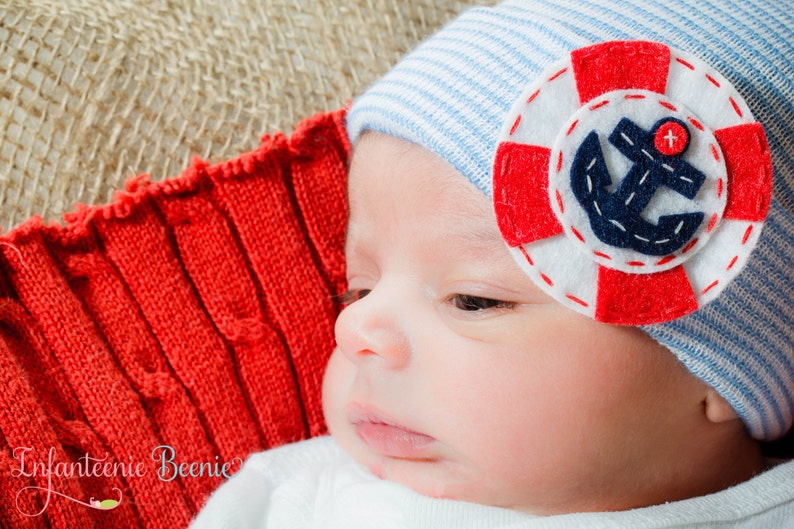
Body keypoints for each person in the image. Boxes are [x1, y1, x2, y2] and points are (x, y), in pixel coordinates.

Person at [190, 0, 794, 526]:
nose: (354, 331)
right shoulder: (293, 500)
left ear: (721, 373)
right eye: (358, 290)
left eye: (474, 299)